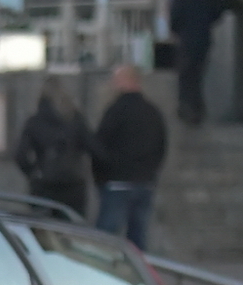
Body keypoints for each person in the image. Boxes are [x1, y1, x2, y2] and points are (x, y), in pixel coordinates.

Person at [88, 63, 168, 249]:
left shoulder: (116, 111)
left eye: (116, 79)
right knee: (138, 238)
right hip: (144, 181)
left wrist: (101, 175)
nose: (112, 84)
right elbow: (161, 145)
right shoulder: (152, 112)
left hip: (117, 182)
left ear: (124, 81)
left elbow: (100, 145)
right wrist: (151, 172)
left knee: (106, 238)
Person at [167, 0, 238, 125]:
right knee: (198, 72)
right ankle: (196, 107)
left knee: (186, 73)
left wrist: (178, 29)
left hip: (187, 37)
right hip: (203, 36)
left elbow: (175, 15)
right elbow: (219, 8)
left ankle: (187, 106)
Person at [14, 80, 93, 219]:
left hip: (44, 186)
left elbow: (20, 155)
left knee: (43, 231)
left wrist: (34, 172)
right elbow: (93, 147)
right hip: (73, 185)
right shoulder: (76, 120)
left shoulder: (34, 122)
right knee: (72, 232)